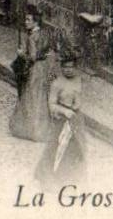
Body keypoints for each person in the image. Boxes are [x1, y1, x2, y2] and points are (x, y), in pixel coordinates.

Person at [36, 51, 88, 184]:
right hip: (62, 120)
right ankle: (52, 176)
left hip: (76, 119)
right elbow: (51, 104)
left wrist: (77, 106)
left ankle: (73, 176)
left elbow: (79, 97)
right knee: (57, 147)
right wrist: (65, 111)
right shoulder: (57, 84)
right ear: (61, 67)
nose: (68, 70)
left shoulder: (78, 80)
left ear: (75, 67)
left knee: (77, 147)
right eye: (65, 67)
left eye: (71, 67)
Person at [9, 5, 57, 140]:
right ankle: (42, 129)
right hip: (44, 68)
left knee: (31, 98)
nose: (26, 22)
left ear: (36, 22)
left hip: (35, 69)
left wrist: (21, 54)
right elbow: (49, 51)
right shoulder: (44, 34)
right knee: (41, 98)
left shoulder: (31, 37)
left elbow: (33, 57)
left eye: (28, 20)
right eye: (26, 19)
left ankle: (30, 130)